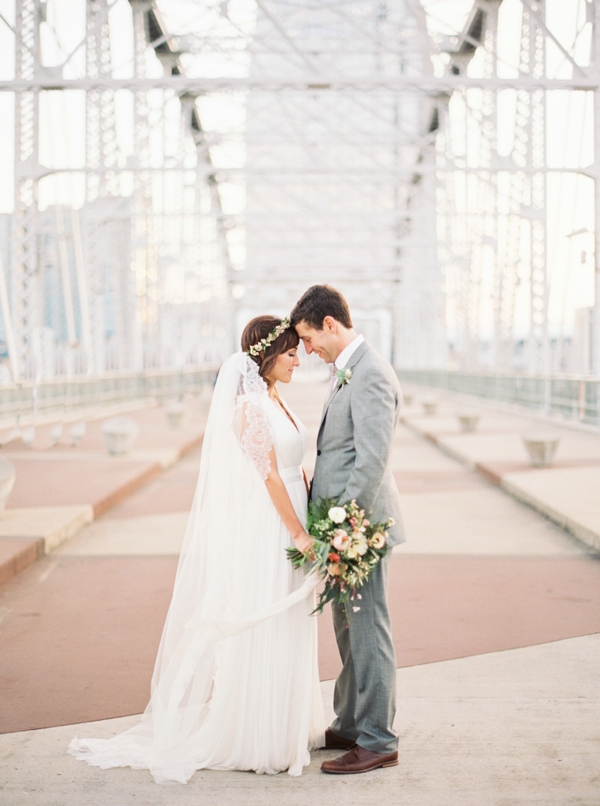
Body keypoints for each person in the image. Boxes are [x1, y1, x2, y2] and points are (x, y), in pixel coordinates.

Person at [69, 315, 324, 784]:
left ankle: (290, 721)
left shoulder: (274, 398)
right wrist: (299, 533)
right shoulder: (249, 408)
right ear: (266, 357)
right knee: (269, 617)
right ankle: (259, 735)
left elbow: (291, 465)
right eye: (290, 353)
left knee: (293, 619)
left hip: (295, 508)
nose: (298, 360)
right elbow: (268, 475)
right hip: (274, 524)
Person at [290, 284, 405, 775]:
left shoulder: (371, 373)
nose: (307, 351)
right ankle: (353, 722)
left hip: (360, 530)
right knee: (346, 629)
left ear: (330, 325)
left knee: (367, 630)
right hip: (344, 528)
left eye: (309, 339)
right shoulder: (348, 373)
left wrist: (347, 529)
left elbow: (372, 460)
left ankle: (378, 740)